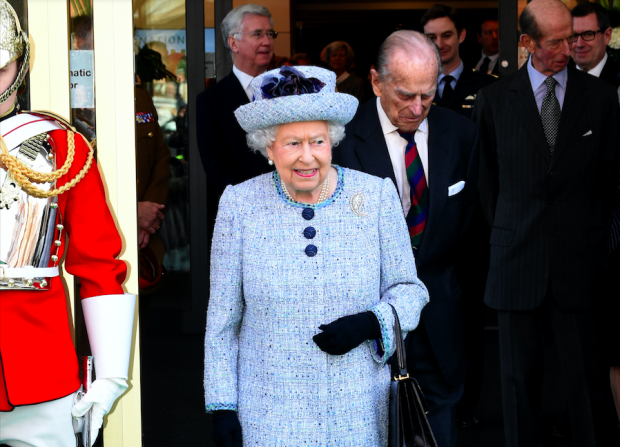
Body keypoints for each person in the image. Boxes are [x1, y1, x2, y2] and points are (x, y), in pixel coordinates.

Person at [203, 65, 429, 446]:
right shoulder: (239, 204)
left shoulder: (374, 196)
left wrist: (371, 322)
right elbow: (222, 322)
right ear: (268, 147)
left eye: (318, 141)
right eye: (292, 143)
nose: (308, 157)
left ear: (332, 140)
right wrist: (223, 407)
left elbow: (410, 289)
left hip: (358, 409)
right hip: (269, 412)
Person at [473, 1, 620, 446]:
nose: (568, 48)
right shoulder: (495, 100)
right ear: (527, 43)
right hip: (517, 264)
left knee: (587, 389)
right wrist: (509, 236)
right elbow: (486, 186)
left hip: (581, 264)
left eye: (573, 37)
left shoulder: (599, 98)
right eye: (555, 40)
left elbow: (611, 182)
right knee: (517, 392)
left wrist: (602, 246)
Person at [334, 30, 480, 447]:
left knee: (440, 430)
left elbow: (470, 227)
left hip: (439, 321)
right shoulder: (340, 138)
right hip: (365, 318)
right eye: (404, 95)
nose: (417, 108)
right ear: (376, 82)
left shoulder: (461, 134)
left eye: (427, 95)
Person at [0, 1, 136, 445]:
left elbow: (97, 261)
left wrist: (112, 372)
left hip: (39, 369)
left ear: (20, 63)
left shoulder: (62, 147)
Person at [195, 4, 275, 246]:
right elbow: (217, 170)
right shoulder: (211, 101)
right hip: (245, 224)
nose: (267, 41)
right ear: (233, 43)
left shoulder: (289, 90)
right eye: (258, 34)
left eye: (270, 34)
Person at [421, 4, 496, 120]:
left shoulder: (489, 86)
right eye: (432, 38)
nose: (439, 44)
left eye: (446, 36)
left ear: (461, 35)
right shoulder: (416, 86)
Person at [570, 2, 620, 88]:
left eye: (588, 34)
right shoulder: (557, 80)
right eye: (573, 35)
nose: (579, 44)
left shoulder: (617, 79)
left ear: (607, 36)